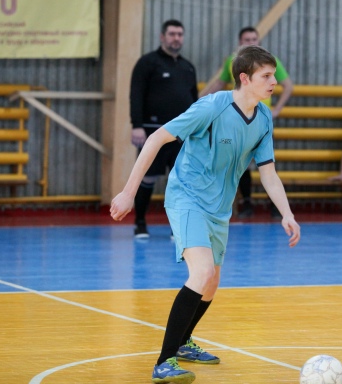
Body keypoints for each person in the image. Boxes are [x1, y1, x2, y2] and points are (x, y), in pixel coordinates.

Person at [111, 45, 301, 384]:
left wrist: (286, 213)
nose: (274, 82)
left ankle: (184, 343)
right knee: (200, 273)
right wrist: (128, 192)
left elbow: (268, 173)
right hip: (187, 196)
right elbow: (155, 139)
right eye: (267, 76)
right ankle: (164, 362)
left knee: (211, 283)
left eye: (273, 75)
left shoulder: (263, 117)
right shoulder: (212, 106)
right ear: (245, 78)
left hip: (219, 207)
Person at [200, 26, 294, 218]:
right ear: (240, 43)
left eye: (254, 39)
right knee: (241, 162)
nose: (251, 42)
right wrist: (199, 100)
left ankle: (275, 205)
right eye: (246, 39)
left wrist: (277, 109)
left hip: (261, 120)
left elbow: (288, 85)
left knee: (267, 163)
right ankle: (247, 202)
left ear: (259, 41)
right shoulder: (232, 61)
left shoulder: (270, 62)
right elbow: (220, 83)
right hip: (237, 119)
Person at [130, 19, 198, 239]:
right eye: (172, 34)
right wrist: (137, 126)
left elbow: (194, 102)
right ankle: (140, 223)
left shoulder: (188, 67)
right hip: (153, 133)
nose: (176, 38)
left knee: (181, 181)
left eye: (180, 34)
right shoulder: (147, 63)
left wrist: (197, 130)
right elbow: (136, 95)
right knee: (147, 178)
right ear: (162, 37)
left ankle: (176, 228)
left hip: (181, 135)